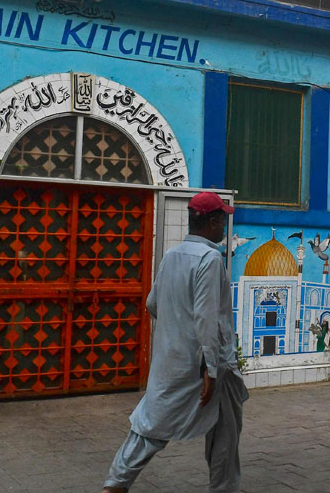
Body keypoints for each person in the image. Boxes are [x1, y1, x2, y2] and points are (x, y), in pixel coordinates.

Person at [102, 192, 248, 493]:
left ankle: (115, 484)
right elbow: (206, 318)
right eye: (221, 220)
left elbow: (153, 304)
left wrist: (177, 326)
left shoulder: (172, 256)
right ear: (212, 222)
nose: (223, 227)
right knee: (222, 435)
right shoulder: (210, 259)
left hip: (173, 360)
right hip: (208, 364)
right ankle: (223, 487)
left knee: (152, 425)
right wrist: (209, 369)